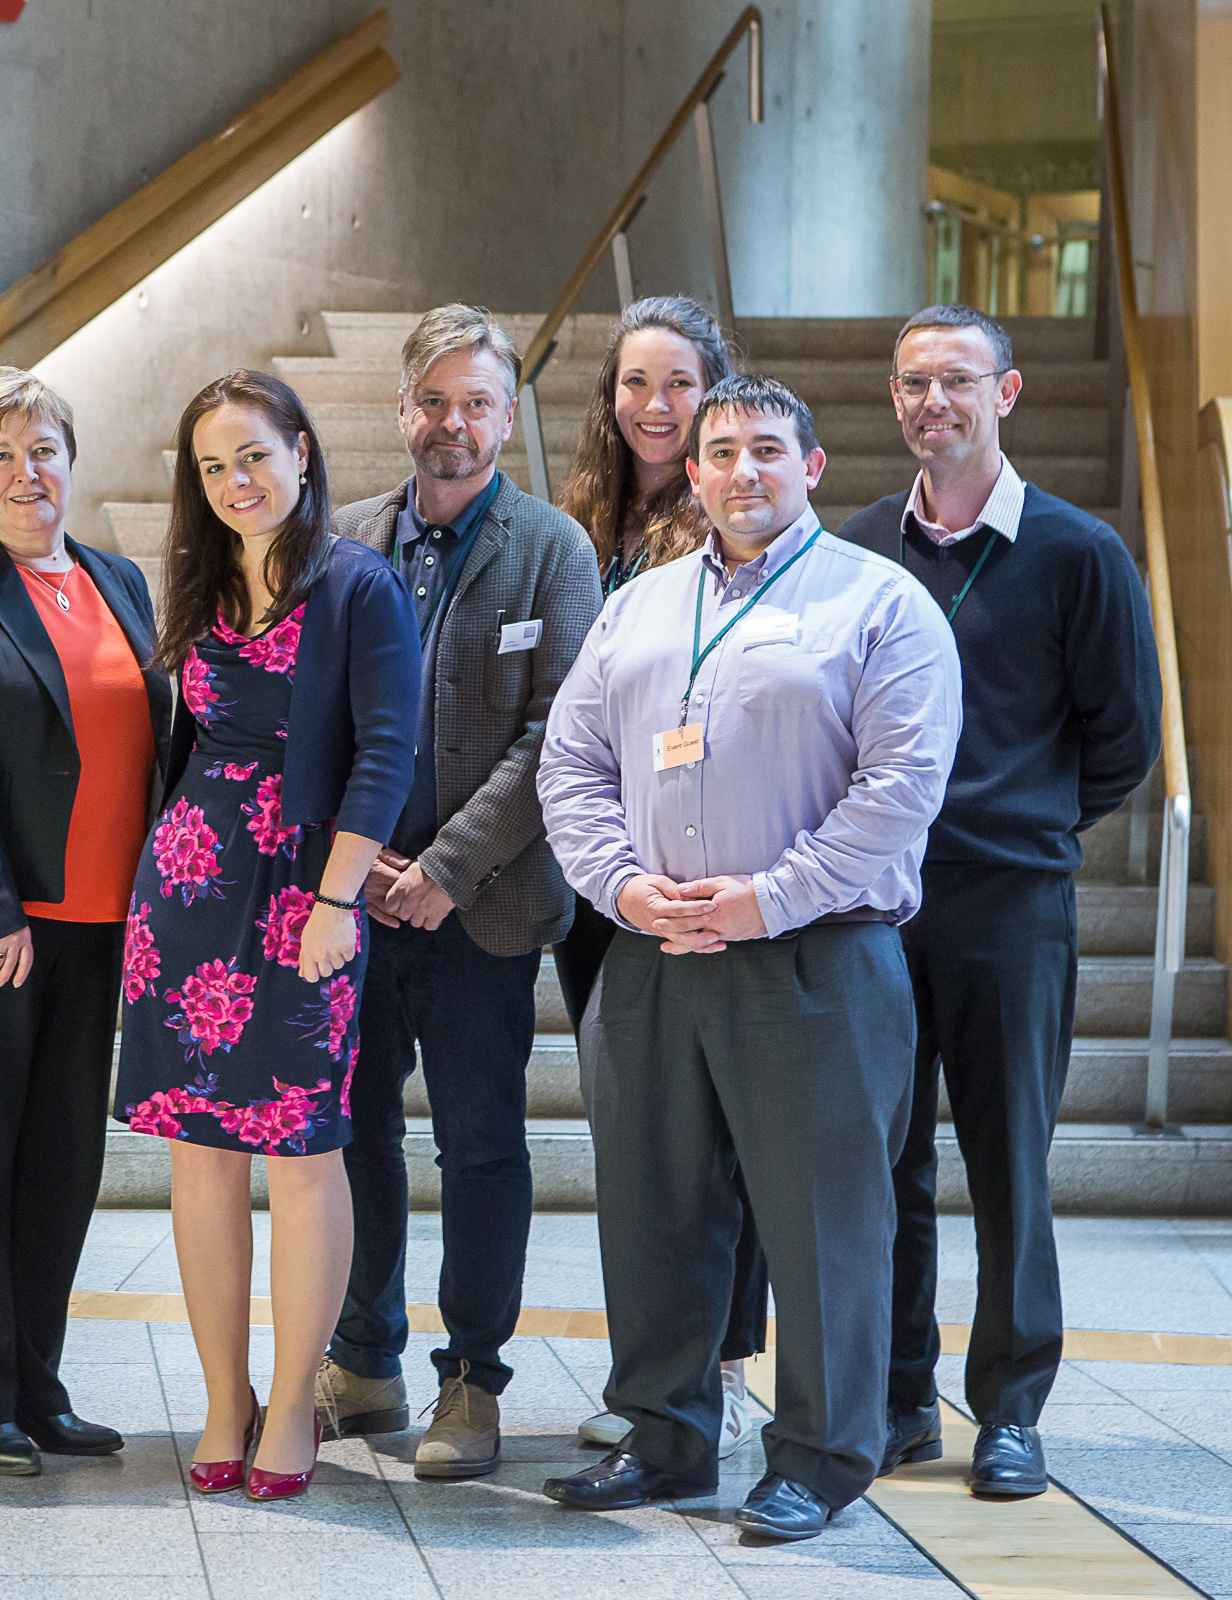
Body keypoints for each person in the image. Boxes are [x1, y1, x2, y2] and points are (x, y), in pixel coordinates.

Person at [538, 375, 962, 1541]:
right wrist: (622, 883)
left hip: (815, 958)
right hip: (651, 952)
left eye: (767, 449)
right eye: (720, 451)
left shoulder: (880, 604)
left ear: (813, 465)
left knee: (824, 1219)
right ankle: (666, 1435)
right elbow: (568, 764)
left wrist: (766, 898)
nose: (742, 471)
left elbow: (899, 793)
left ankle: (823, 1455)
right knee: (652, 1207)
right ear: (695, 470)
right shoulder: (641, 606)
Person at [841, 305, 1160, 1498]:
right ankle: (899, 1397)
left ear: (1007, 394)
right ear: (895, 397)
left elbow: (1122, 742)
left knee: (1009, 1163)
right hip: (877, 901)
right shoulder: (864, 544)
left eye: (958, 382)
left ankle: (1013, 1408)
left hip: (1010, 905)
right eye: (916, 382)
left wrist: (1024, 825)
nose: (936, 402)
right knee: (886, 1159)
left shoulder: (1080, 552)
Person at [114, 370, 418, 1503]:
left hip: (303, 898)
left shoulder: (358, 584)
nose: (236, 481)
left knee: (302, 1151)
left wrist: (339, 902)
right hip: (185, 892)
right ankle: (221, 1395)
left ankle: (292, 1399)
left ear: (300, 451)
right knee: (199, 1153)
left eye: (253, 455)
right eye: (212, 465)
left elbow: (388, 750)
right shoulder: (194, 582)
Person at [310, 306, 601, 1481]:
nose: (454, 423)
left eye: (478, 402)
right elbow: (318, 714)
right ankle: (365, 1353)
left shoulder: (552, 549)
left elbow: (556, 733)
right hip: (357, 902)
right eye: (434, 400)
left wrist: (440, 867)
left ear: (507, 414)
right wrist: (360, 863)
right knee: (359, 1134)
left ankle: (472, 1380)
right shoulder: (343, 539)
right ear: (400, 411)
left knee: (480, 1144)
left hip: (481, 909)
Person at [0, 368, 172, 1475]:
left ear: (71, 459)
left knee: (62, 1161)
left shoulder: (119, 579)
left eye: (44, 448)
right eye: (1, 455)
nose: (26, 472)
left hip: (101, 919)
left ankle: (37, 1382)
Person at [550, 295, 764, 1459]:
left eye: (678, 383)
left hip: (709, 879)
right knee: (642, 1144)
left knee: (727, 1131)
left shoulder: (733, 520)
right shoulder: (579, 525)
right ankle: (657, 1376)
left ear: (714, 394)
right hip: (607, 887)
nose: (654, 406)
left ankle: (724, 1369)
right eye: (635, 382)